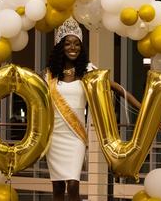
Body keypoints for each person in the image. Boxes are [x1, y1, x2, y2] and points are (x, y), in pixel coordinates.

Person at [44, 17, 141, 201]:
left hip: (76, 135)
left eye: (77, 44)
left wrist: (142, 107)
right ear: (60, 47)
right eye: (68, 44)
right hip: (54, 135)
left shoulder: (88, 70)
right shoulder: (49, 74)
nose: (73, 48)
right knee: (57, 187)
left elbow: (116, 88)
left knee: (73, 185)